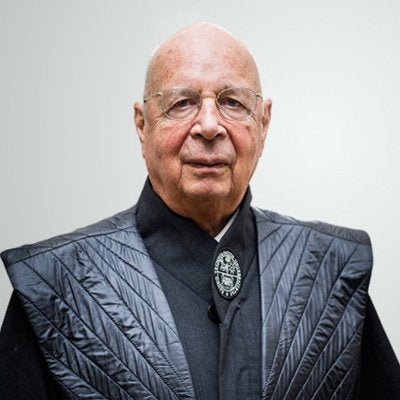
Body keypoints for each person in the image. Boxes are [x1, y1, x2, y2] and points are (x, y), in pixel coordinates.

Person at [0, 22, 399, 400]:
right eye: (182, 103)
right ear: (142, 124)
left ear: (263, 123)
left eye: (232, 102)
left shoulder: (330, 271)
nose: (209, 126)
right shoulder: (56, 284)